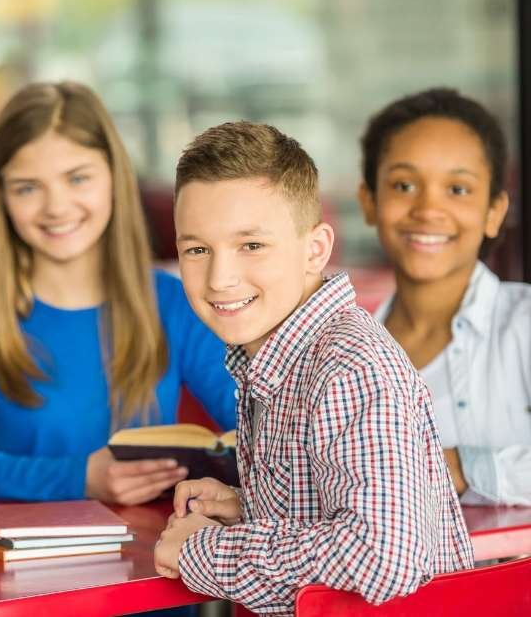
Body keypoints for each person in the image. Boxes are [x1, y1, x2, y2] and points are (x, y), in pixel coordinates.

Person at [154, 121, 473, 614]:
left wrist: (205, 551)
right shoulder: (277, 356)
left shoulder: (348, 366)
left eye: (251, 245)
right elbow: (334, 511)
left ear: (316, 250)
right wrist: (248, 508)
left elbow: (381, 555)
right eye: (197, 249)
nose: (220, 278)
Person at [0, 81, 237, 503]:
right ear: (0, 196)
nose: (56, 206)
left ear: (114, 176)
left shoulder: (174, 302)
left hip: (152, 555)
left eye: (77, 178)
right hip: (12, 561)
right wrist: (77, 478)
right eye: (27, 187)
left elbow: (253, 424)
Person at [359, 87, 531, 505]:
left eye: (458, 189)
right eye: (403, 185)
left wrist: (462, 467)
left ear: (494, 212)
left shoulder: (524, 324)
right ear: (369, 202)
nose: (428, 210)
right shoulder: (352, 355)